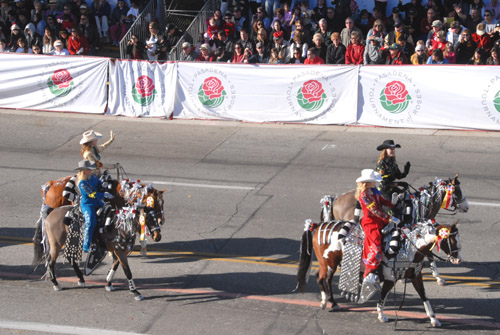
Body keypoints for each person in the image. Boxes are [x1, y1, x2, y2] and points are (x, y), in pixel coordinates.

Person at [356, 169, 399, 289]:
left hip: (379, 221)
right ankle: (367, 272)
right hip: (370, 223)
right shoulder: (364, 195)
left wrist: (392, 203)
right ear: (367, 183)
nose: (375, 183)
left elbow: (382, 201)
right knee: (375, 243)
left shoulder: (374, 191)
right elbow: (374, 210)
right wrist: (389, 218)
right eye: (373, 181)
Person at [76, 159, 111, 253]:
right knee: (90, 222)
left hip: (98, 202)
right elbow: (91, 194)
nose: (92, 170)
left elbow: (100, 185)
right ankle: (86, 246)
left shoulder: (94, 177)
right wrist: (103, 195)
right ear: (84, 170)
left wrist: (105, 184)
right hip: (88, 204)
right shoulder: (82, 183)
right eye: (89, 169)